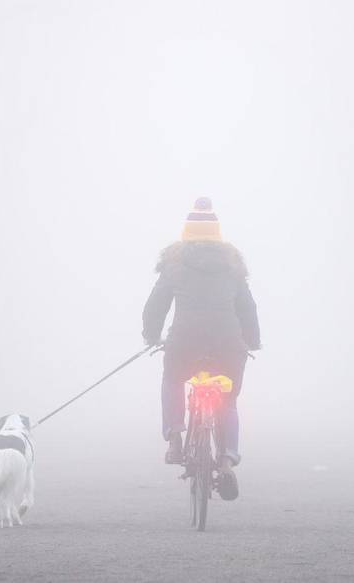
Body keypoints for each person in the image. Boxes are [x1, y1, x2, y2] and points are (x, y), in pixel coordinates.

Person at [142, 197, 260, 500]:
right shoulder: (233, 268)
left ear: (186, 233)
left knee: (172, 380)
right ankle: (227, 458)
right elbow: (247, 309)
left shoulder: (174, 266)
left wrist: (152, 336)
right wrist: (252, 341)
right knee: (229, 399)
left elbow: (156, 305)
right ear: (217, 234)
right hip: (227, 344)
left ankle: (175, 438)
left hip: (185, 341)